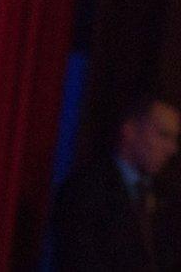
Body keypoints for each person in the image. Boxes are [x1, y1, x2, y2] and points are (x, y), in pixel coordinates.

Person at [53, 94, 181, 271]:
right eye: (163, 135)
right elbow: (79, 259)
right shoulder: (85, 189)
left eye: (174, 139)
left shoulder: (167, 197)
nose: (172, 149)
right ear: (130, 130)